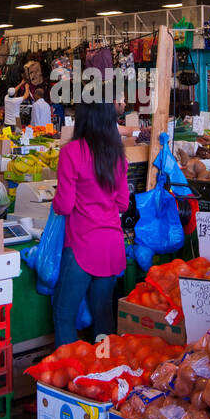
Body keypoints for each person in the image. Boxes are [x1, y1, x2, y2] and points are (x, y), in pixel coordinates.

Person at [50, 101, 129, 346]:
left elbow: (64, 205)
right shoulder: (117, 154)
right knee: (103, 316)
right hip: (112, 246)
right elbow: (123, 203)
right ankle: (103, 371)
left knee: (64, 315)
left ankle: (67, 377)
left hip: (82, 246)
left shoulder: (72, 152)